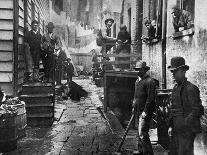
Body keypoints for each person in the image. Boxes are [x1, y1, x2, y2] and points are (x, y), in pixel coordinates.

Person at [167, 57, 204, 155]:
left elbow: (198, 110)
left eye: (175, 71)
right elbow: (173, 109)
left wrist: (185, 124)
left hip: (187, 131)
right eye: (172, 72)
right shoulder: (175, 88)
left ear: (183, 71)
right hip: (176, 129)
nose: (173, 74)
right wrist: (171, 125)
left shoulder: (191, 88)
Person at [132, 61, 156, 155]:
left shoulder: (150, 81)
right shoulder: (137, 81)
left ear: (144, 70)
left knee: (143, 132)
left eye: (139, 70)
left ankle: (148, 153)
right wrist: (134, 106)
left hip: (145, 111)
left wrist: (145, 111)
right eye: (136, 69)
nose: (137, 71)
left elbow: (150, 99)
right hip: (138, 110)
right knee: (138, 132)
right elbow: (136, 96)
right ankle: (140, 150)